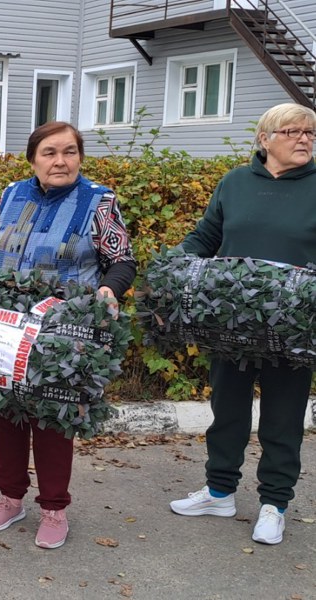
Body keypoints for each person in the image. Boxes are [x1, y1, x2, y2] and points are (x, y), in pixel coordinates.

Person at [0, 121, 136, 549]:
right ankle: (10, 497)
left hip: (63, 329)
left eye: (70, 152)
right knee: (4, 411)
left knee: (55, 418)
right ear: (33, 159)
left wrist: (108, 289)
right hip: (4, 324)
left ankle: (54, 507)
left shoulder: (98, 201)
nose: (61, 161)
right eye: (50, 153)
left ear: (80, 156)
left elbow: (121, 259)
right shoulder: (11, 195)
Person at [169, 103, 316, 545]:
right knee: (227, 411)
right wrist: (173, 263)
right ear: (265, 139)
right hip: (231, 324)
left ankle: (274, 503)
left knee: (283, 418)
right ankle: (219, 492)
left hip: (293, 329)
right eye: (293, 132)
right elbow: (206, 236)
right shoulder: (234, 183)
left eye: (310, 132)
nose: (305, 139)